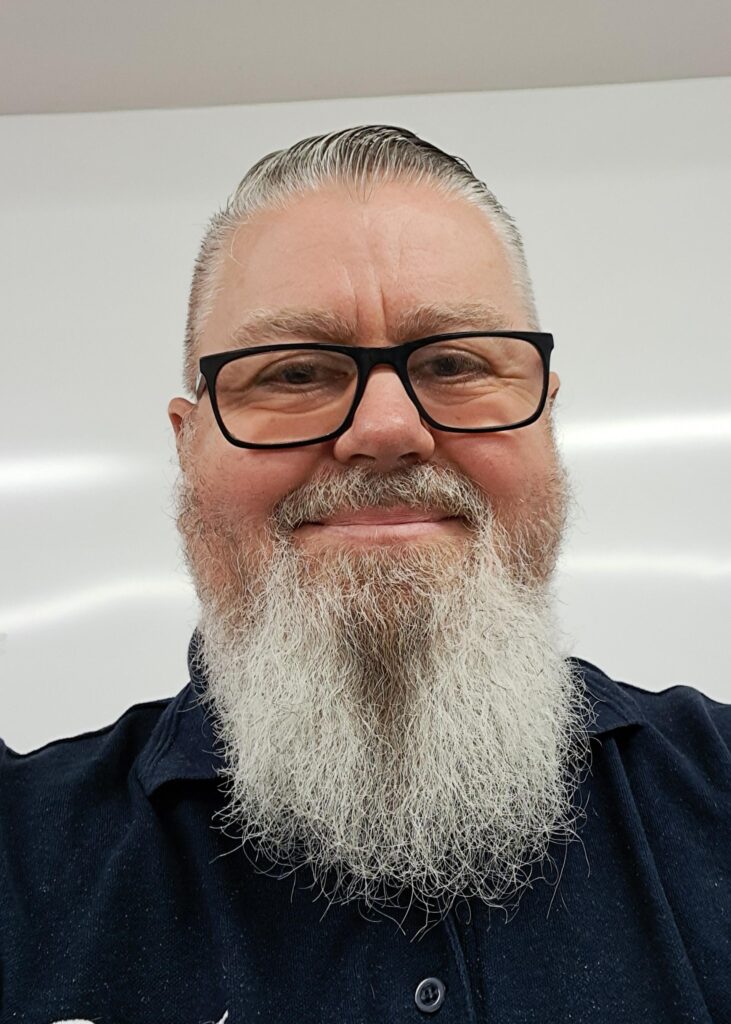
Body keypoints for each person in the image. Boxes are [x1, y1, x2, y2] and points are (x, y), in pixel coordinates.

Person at [1, 125, 728, 1024]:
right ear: (188, 449)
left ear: (546, 424)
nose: (386, 429)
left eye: (454, 363)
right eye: (296, 371)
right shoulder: (19, 861)